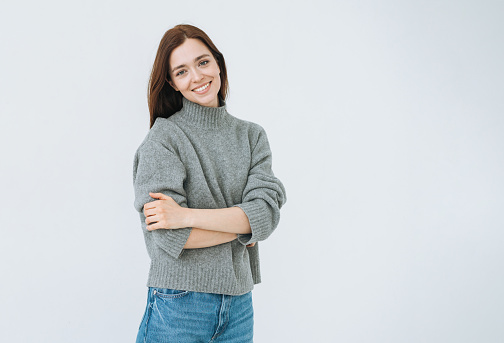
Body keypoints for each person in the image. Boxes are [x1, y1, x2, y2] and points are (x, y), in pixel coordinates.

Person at [132, 24, 286, 342]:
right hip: (179, 303)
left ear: (218, 63)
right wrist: (245, 227)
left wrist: (187, 216)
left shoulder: (252, 136)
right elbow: (170, 237)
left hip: (240, 304)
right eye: (182, 71)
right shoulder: (164, 139)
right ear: (172, 83)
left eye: (203, 62)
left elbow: (267, 215)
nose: (198, 77)